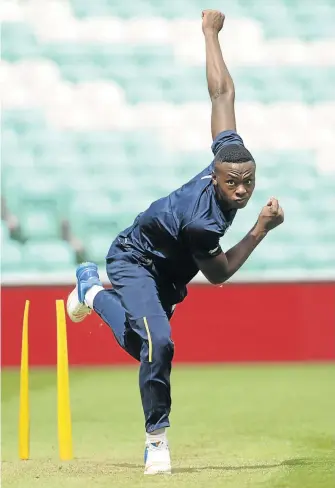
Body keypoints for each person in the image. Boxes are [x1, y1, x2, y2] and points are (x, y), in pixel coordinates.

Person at [67, 10, 284, 475]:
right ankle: (156, 439)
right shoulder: (202, 221)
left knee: (142, 343)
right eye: (233, 184)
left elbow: (222, 92)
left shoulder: (229, 152)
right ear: (216, 178)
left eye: (248, 180)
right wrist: (260, 229)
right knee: (160, 343)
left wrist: (209, 33)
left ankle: (89, 289)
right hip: (134, 258)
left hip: (168, 273)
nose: (242, 190)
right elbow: (220, 273)